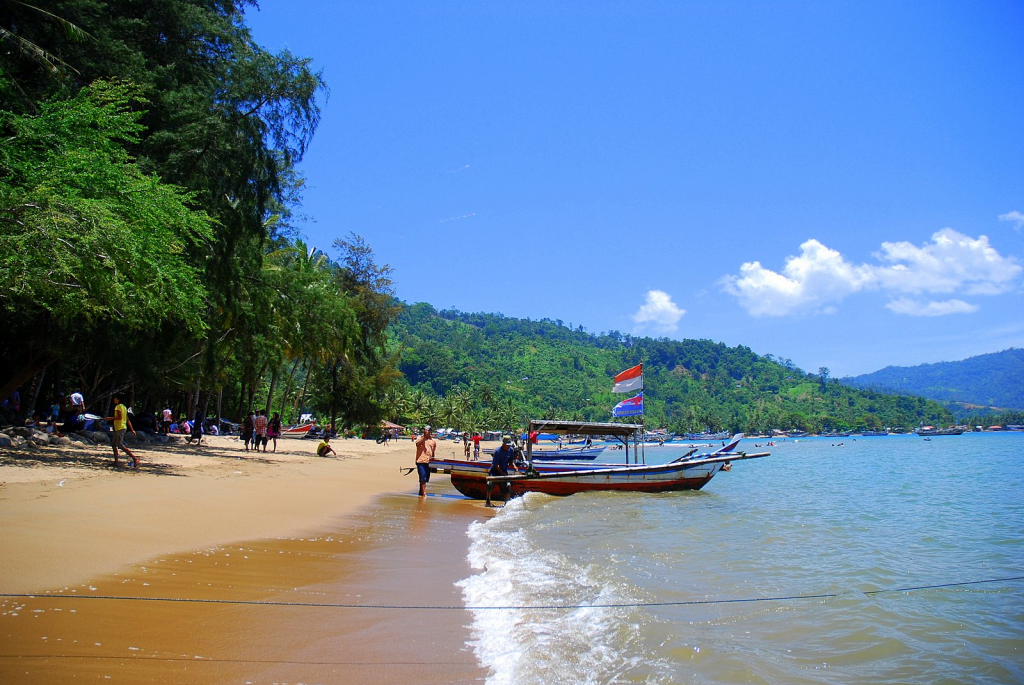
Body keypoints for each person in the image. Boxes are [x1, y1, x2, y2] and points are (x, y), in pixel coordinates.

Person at [104, 393, 138, 468]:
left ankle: (135, 458)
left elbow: (119, 418)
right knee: (113, 444)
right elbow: (127, 419)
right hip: (122, 427)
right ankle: (116, 461)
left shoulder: (118, 407)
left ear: (118, 399)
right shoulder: (124, 407)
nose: (114, 399)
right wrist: (132, 429)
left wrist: (110, 418)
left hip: (120, 428)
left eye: (115, 398)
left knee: (120, 445)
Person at [485, 435, 518, 507]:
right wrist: (503, 474)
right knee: (489, 484)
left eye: (509, 445)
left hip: (503, 470)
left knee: (507, 486)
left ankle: (506, 503)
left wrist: (514, 466)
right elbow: (496, 465)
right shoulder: (497, 451)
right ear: (503, 444)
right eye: (507, 445)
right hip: (494, 471)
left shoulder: (511, 450)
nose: (508, 446)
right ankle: (488, 500)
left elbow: (511, 461)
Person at [414, 425, 437, 497]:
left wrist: (434, 462)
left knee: (426, 478)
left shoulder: (433, 441)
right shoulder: (420, 438)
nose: (425, 431)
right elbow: (417, 444)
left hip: (428, 461)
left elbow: (433, 452)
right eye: (424, 430)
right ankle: (424, 493)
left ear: (430, 432)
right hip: (420, 461)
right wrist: (424, 437)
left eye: (426, 430)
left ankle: (421, 492)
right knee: (422, 476)